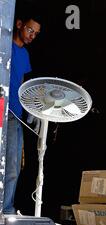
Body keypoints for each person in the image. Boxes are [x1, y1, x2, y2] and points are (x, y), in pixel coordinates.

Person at [4, 12, 41, 214]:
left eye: (35, 34)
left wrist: (29, 108)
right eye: (29, 29)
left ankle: (6, 209)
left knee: (14, 165)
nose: (31, 36)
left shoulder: (25, 54)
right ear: (19, 24)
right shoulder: (4, 44)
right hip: (2, 110)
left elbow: (22, 83)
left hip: (15, 117)